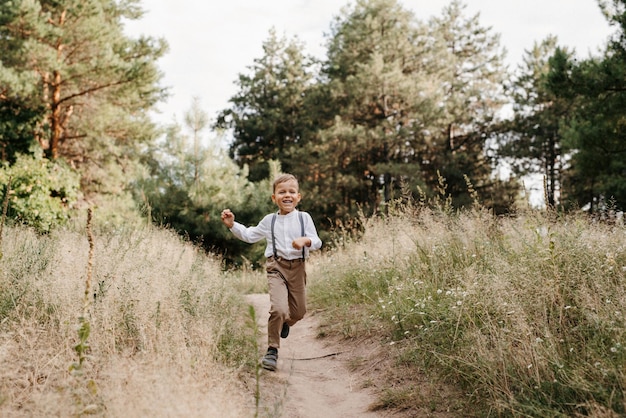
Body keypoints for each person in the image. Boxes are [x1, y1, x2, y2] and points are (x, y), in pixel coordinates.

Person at [221, 174, 322, 371]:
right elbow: (250, 235)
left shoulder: (304, 218)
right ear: (274, 198)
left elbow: (317, 241)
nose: (287, 195)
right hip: (276, 267)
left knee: (299, 312)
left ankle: (285, 322)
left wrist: (306, 241)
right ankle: (272, 350)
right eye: (282, 192)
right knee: (278, 309)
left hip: (298, 268)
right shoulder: (269, 221)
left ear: (298, 197)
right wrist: (233, 225)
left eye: (291, 192)